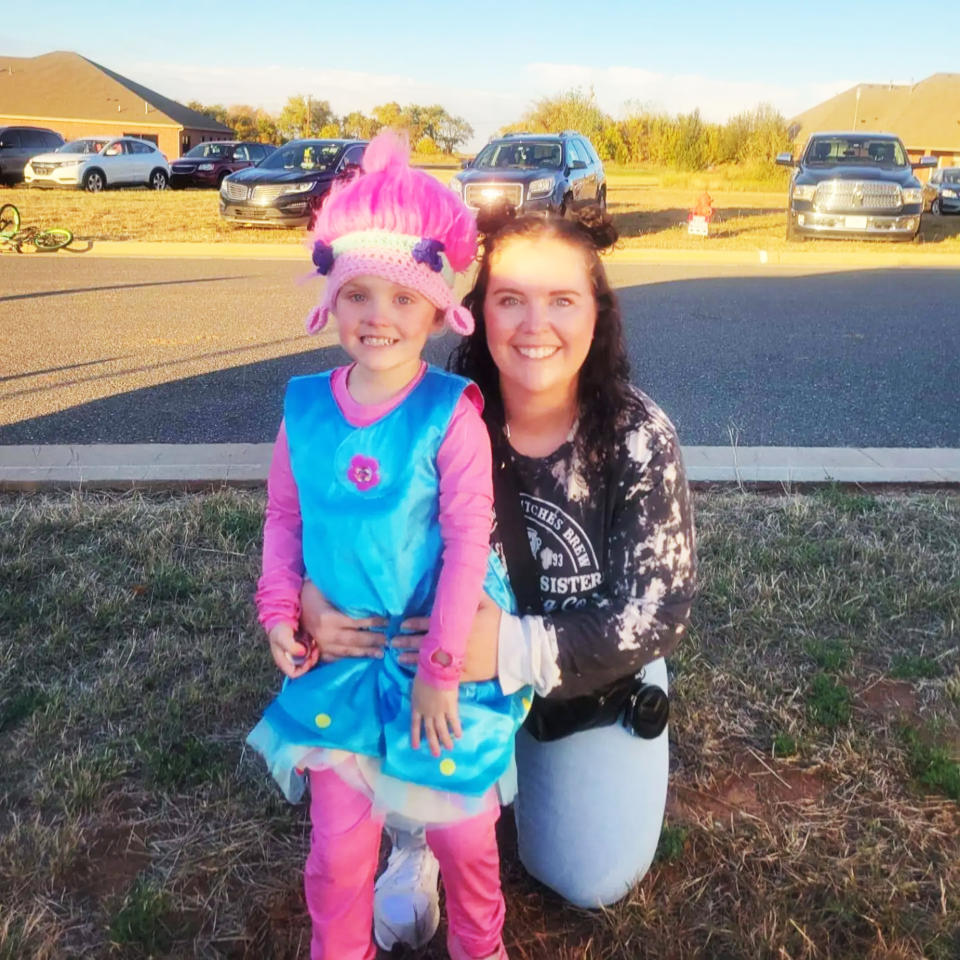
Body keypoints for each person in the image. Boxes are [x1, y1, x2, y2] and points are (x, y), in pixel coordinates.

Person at [299, 204, 697, 945]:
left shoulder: (638, 434)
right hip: (433, 665)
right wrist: (306, 600)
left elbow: (661, 607)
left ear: (598, 315)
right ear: (478, 311)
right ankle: (414, 841)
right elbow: (340, 523)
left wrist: (510, 649)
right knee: (396, 706)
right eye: (510, 297)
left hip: (577, 677)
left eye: (562, 300)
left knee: (587, 877)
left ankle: (493, 785)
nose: (533, 323)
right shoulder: (431, 414)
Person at [247, 132, 530, 960]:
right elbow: (284, 520)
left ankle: (482, 949)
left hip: (433, 663)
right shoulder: (303, 408)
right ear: (328, 300)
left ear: (441, 307)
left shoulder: (452, 415)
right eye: (357, 295)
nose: (379, 317)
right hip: (335, 661)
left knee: (466, 844)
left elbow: (467, 539)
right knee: (338, 852)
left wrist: (442, 671)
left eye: (403, 299)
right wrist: (279, 607)